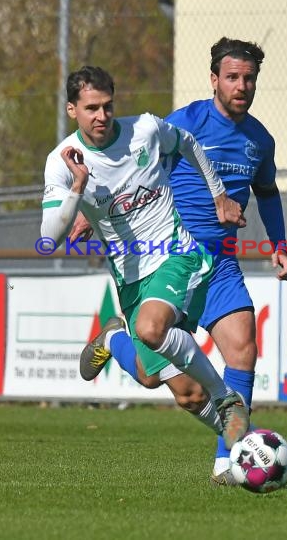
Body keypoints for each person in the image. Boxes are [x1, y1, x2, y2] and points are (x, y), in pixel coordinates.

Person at [71, 38, 287, 486]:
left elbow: (267, 193)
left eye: (249, 78)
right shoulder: (185, 122)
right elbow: (127, 164)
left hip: (222, 262)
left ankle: (227, 464)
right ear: (214, 79)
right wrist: (86, 209)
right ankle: (115, 339)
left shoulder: (259, 140)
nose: (242, 85)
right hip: (168, 257)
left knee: (243, 345)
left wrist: (280, 242)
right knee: (165, 385)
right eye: (232, 77)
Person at [41, 65, 250, 450]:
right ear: (72, 110)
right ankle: (114, 335)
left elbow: (189, 143)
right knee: (169, 386)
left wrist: (219, 194)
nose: (101, 116)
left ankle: (229, 408)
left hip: (175, 253)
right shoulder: (61, 162)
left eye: (107, 106)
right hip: (130, 277)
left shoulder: (146, 130)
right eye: (91, 108)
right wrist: (78, 191)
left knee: (153, 330)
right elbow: (50, 237)